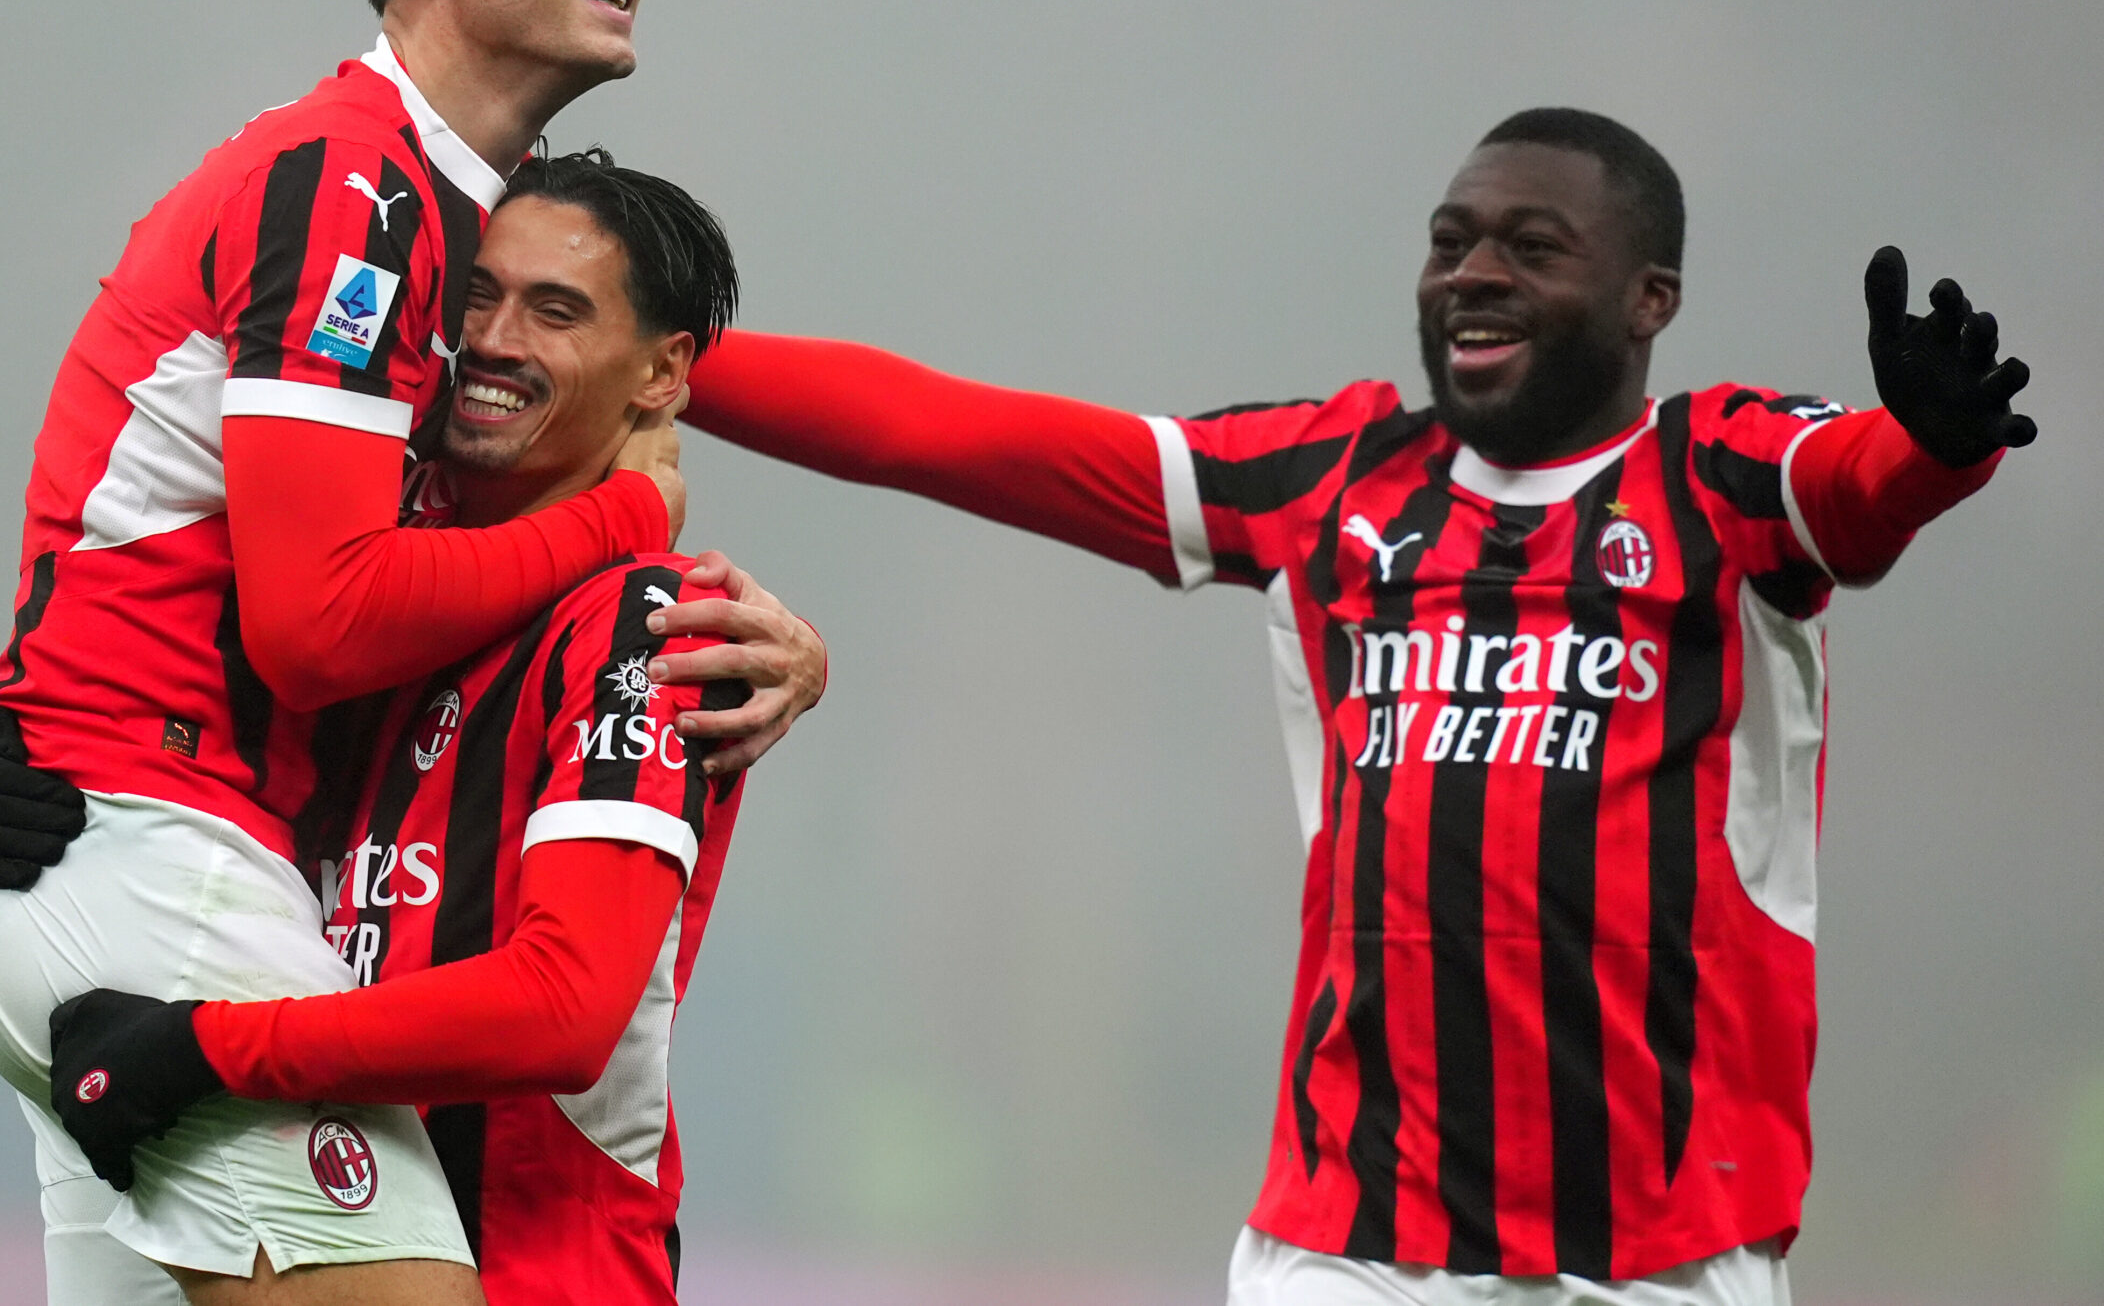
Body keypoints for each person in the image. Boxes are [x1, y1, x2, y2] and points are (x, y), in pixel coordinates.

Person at [670, 108, 2035, 1304]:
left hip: (1666, 1255)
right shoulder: (1333, 477)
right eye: (1451, 240)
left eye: (1531, 244)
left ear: (1648, 298)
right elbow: (952, 432)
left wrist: (1938, 443)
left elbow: (1857, 491)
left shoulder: (1719, 475)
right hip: (1353, 1248)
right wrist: (662, 355)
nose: (1473, 271)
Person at [0, 0, 824, 1306]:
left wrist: (774, 624)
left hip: (114, 858)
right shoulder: (357, 187)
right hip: (158, 866)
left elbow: (760, 393)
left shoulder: (467, 214)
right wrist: (620, 518)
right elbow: (319, 619)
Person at [0, 153, 779, 1306]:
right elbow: (160, 673)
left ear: (662, 374)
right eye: (479, 296)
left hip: (540, 1277)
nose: (497, 340)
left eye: (557, 311)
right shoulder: (378, 600)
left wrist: (210, 1048)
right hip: (311, 1209)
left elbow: (564, 1009)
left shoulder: (646, 626)